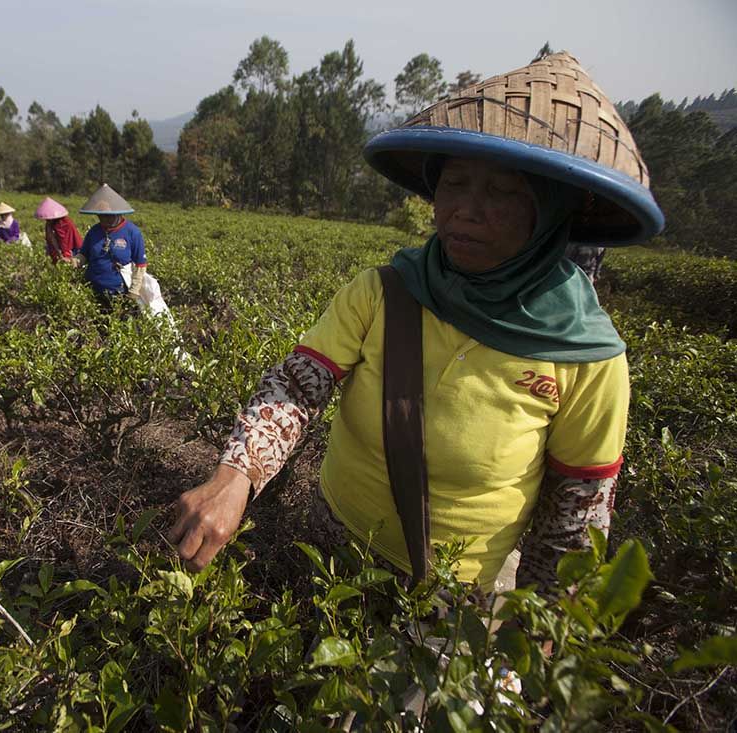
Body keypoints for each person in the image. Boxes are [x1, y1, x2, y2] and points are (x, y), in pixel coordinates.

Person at [169, 52, 665, 599]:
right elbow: (294, 387)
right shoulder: (384, 291)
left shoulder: (588, 357)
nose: (465, 211)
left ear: (549, 211)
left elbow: (573, 520)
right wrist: (234, 477)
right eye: (453, 184)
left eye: (501, 192)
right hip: (329, 543)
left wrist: (540, 630)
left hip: (452, 592)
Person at [76, 184, 148, 310]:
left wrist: (134, 291)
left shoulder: (132, 232)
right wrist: (75, 261)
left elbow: (140, 264)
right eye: (101, 216)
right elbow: (84, 254)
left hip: (120, 293)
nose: (105, 219)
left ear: (117, 213)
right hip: (93, 291)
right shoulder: (94, 231)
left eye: (108, 215)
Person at [34, 197, 83, 265]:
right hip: (59, 250)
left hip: (72, 249)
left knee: (71, 263)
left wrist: (62, 255)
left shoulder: (64, 223)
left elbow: (65, 242)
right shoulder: (49, 224)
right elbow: (51, 239)